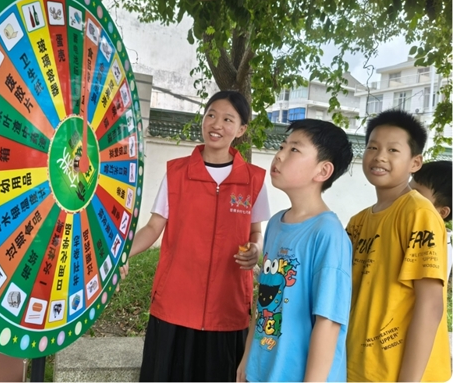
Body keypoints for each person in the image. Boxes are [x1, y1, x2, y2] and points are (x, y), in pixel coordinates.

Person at [121, 90, 271, 381]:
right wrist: (123, 255)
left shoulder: (253, 180)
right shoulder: (176, 173)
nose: (216, 124)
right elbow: (153, 227)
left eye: (228, 119)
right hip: (174, 305)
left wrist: (255, 249)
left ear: (241, 129)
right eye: (211, 115)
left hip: (228, 308)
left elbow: (256, 233)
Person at [237, 119, 354, 382]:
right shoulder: (276, 223)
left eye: (294, 150)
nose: (279, 155)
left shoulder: (328, 233)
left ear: (323, 171)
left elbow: (328, 321)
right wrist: (247, 357)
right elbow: (263, 299)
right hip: (262, 371)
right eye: (282, 146)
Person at [346, 110, 451, 382]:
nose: (380, 156)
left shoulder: (419, 213)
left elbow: (430, 305)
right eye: (373, 147)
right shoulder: (357, 222)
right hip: (358, 368)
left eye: (393, 150)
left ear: (415, 162)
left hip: (400, 374)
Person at [410, 160, 452, 281]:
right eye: (407, 190)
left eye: (416, 195)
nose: (405, 197)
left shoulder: (433, 246)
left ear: (442, 212)